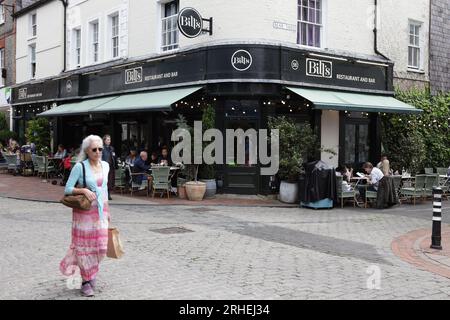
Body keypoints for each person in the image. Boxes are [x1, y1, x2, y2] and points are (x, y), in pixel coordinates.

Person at [60, 135, 110, 297]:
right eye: (94, 149)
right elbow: (67, 189)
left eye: (100, 149)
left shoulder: (106, 166)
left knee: (101, 248)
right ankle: (86, 281)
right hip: (83, 215)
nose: (97, 152)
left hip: (100, 214)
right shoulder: (80, 167)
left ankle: (91, 273)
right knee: (85, 249)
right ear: (87, 151)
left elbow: (105, 191)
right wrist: (83, 190)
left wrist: (108, 213)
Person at [101, 135, 116, 200]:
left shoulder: (112, 148)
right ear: (104, 141)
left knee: (110, 180)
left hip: (111, 166)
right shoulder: (102, 148)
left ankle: (108, 194)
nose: (109, 141)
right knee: (105, 180)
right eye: (108, 140)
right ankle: (104, 194)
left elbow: (114, 156)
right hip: (104, 166)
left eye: (109, 140)